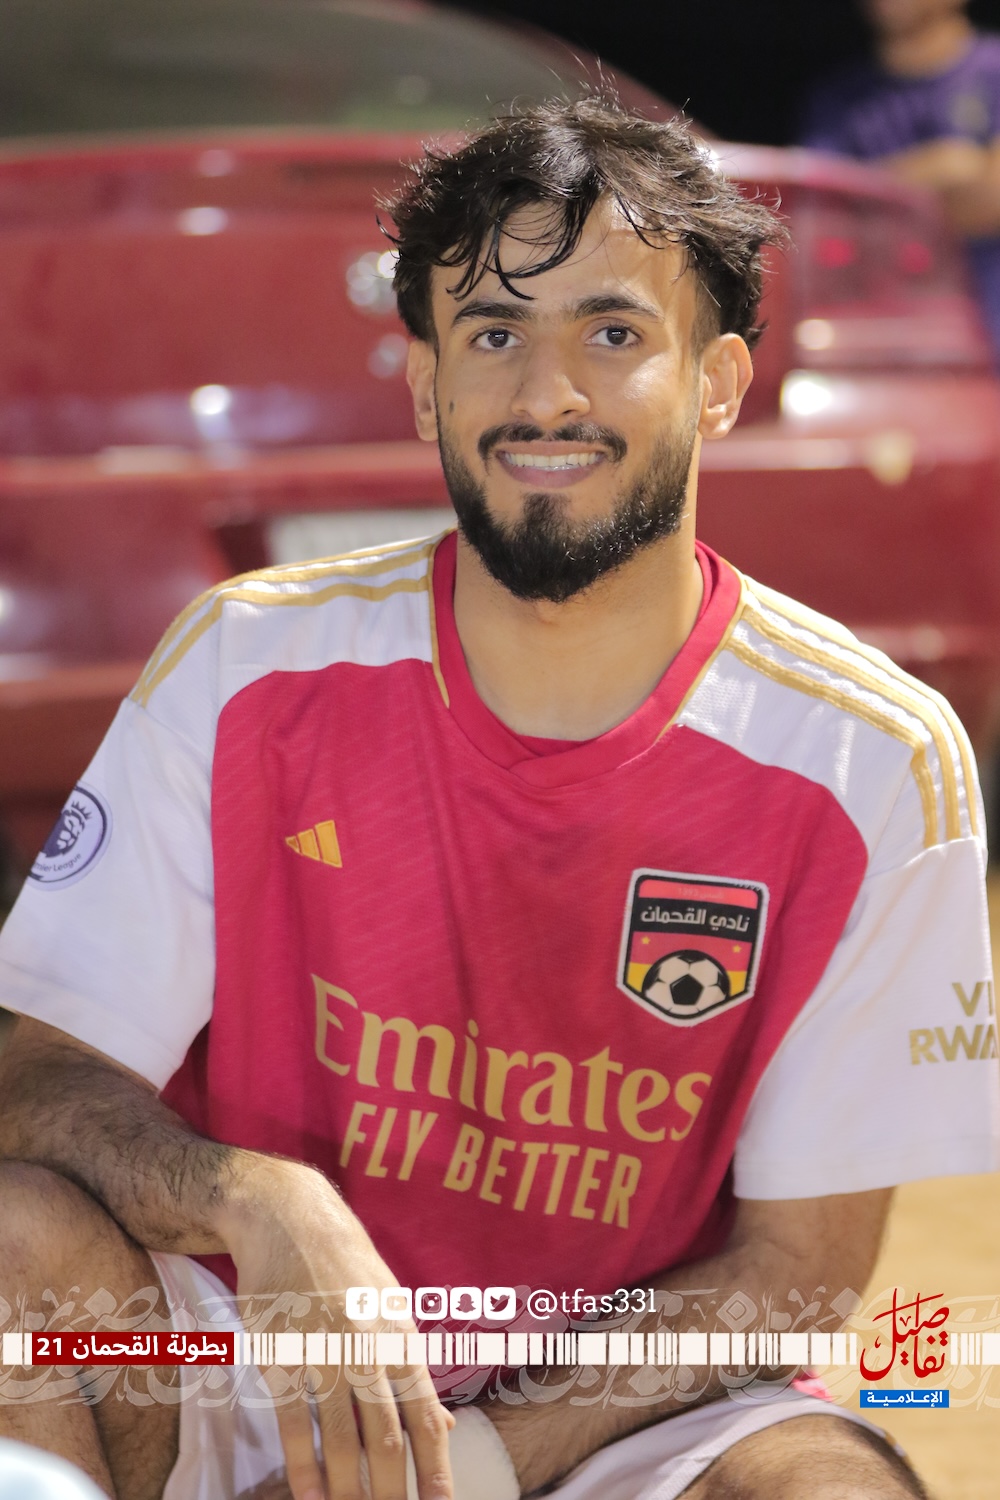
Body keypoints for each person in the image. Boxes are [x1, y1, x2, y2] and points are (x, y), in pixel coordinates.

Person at [0, 96, 996, 1500]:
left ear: (717, 383)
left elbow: (796, 1268)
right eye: (491, 335)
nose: (547, 394)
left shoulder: (868, 758)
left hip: (609, 1411)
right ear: (426, 386)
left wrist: (454, 1466)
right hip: (251, 1365)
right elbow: (37, 1082)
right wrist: (257, 1197)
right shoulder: (244, 666)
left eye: (613, 334)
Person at [800, 0, 1000, 359]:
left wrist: (871, 195)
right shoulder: (839, 100)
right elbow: (820, 224)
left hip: (987, 343)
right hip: (879, 348)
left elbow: (991, 200)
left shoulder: (992, 71)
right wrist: (944, 168)